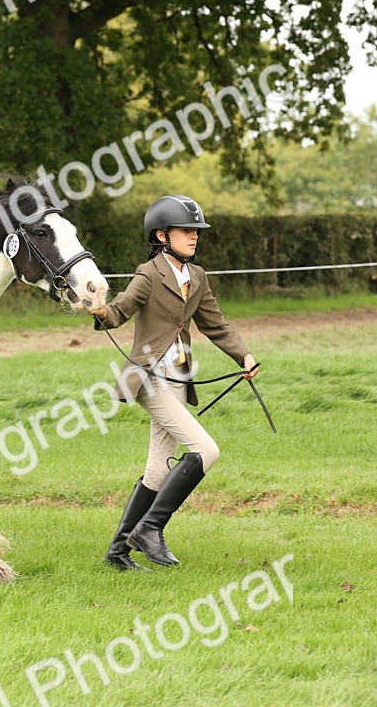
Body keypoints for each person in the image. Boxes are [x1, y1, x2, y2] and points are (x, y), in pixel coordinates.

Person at [91, 195, 258, 571]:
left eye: (197, 231)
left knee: (158, 470)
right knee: (206, 450)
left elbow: (216, 324)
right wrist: (101, 309)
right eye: (187, 231)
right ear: (163, 235)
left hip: (179, 379)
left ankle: (118, 551)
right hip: (148, 379)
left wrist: (243, 356)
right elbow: (120, 310)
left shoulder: (197, 277)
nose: (195, 237)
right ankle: (150, 529)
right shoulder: (149, 272)